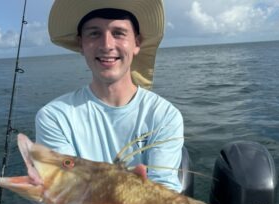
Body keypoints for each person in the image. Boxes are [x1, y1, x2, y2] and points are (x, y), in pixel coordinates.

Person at [35, 0, 184, 192]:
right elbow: (64, 191)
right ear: (81, 44)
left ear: (136, 43)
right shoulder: (54, 116)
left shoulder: (165, 116)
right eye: (94, 33)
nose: (107, 45)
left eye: (118, 33)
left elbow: (165, 191)